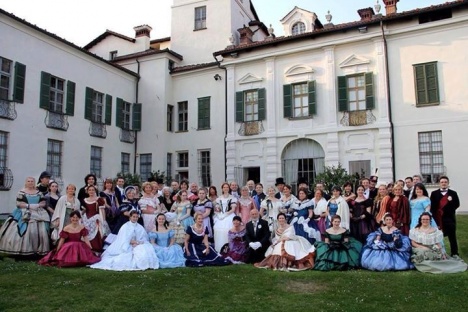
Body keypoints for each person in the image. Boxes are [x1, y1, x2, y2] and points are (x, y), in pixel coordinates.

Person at [90, 210, 159, 271]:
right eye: (133, 217)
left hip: (137, 244)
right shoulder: (125, 226)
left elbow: (143, 237)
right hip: (127, 244)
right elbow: (124, 238)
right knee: (125, 256)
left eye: (136, 217)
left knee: (145, 249)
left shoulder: (139, 227)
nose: (135, 218)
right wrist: (133, 242)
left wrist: (138, 242)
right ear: (130, 217)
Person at [0, 177, 50, 256]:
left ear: (34, 182)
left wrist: (36, 205)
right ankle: (23, 250)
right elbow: (18, 204)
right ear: (26, 182)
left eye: (32, 181)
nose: (30, 183)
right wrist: (28, 205)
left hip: (38, 212)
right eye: (28, 181)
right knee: (23, 229)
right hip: (24, 212)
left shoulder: (39, 192)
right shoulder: (21, 192)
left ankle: (37, 250)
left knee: (41, 231)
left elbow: (43, 202)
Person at [430, 176, 461, 257]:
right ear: (439, 183)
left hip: (449, 218)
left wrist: (450, 202)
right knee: (437, 236)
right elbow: (432, 207)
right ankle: (438, 253)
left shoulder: (453, 193)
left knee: (452, 237)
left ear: (448, 183)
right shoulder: (434, 193)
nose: (444, 183)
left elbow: (457, 204)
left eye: (445, 182)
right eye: (442, 182)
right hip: (438, 218)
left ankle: (454, 253)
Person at [81, 185, 110, 252]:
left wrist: (103, 220)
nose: (91, 191)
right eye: (90, 190)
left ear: (95, 191)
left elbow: (102, 210)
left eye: (92, 190)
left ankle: (97, 248)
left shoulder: (99, 199)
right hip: (86, 218)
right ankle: (88, 248)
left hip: (96, 218)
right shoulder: (85, 200)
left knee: (98, 232)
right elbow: (84, 210)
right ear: (87, 191)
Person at [213, 182, 238, 252]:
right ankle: (219, 249)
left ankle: (229, 250)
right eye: (224, 187)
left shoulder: (232, 198)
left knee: (227, 230)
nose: (226, 188)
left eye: (227, 187)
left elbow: (233, 209)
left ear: (229, 188)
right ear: (222, 188)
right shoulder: (219, 198)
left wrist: (225, 215)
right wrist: (218, 214)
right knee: (217, 229)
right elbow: (217, 208)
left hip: (229, 215)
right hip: (220, 216)